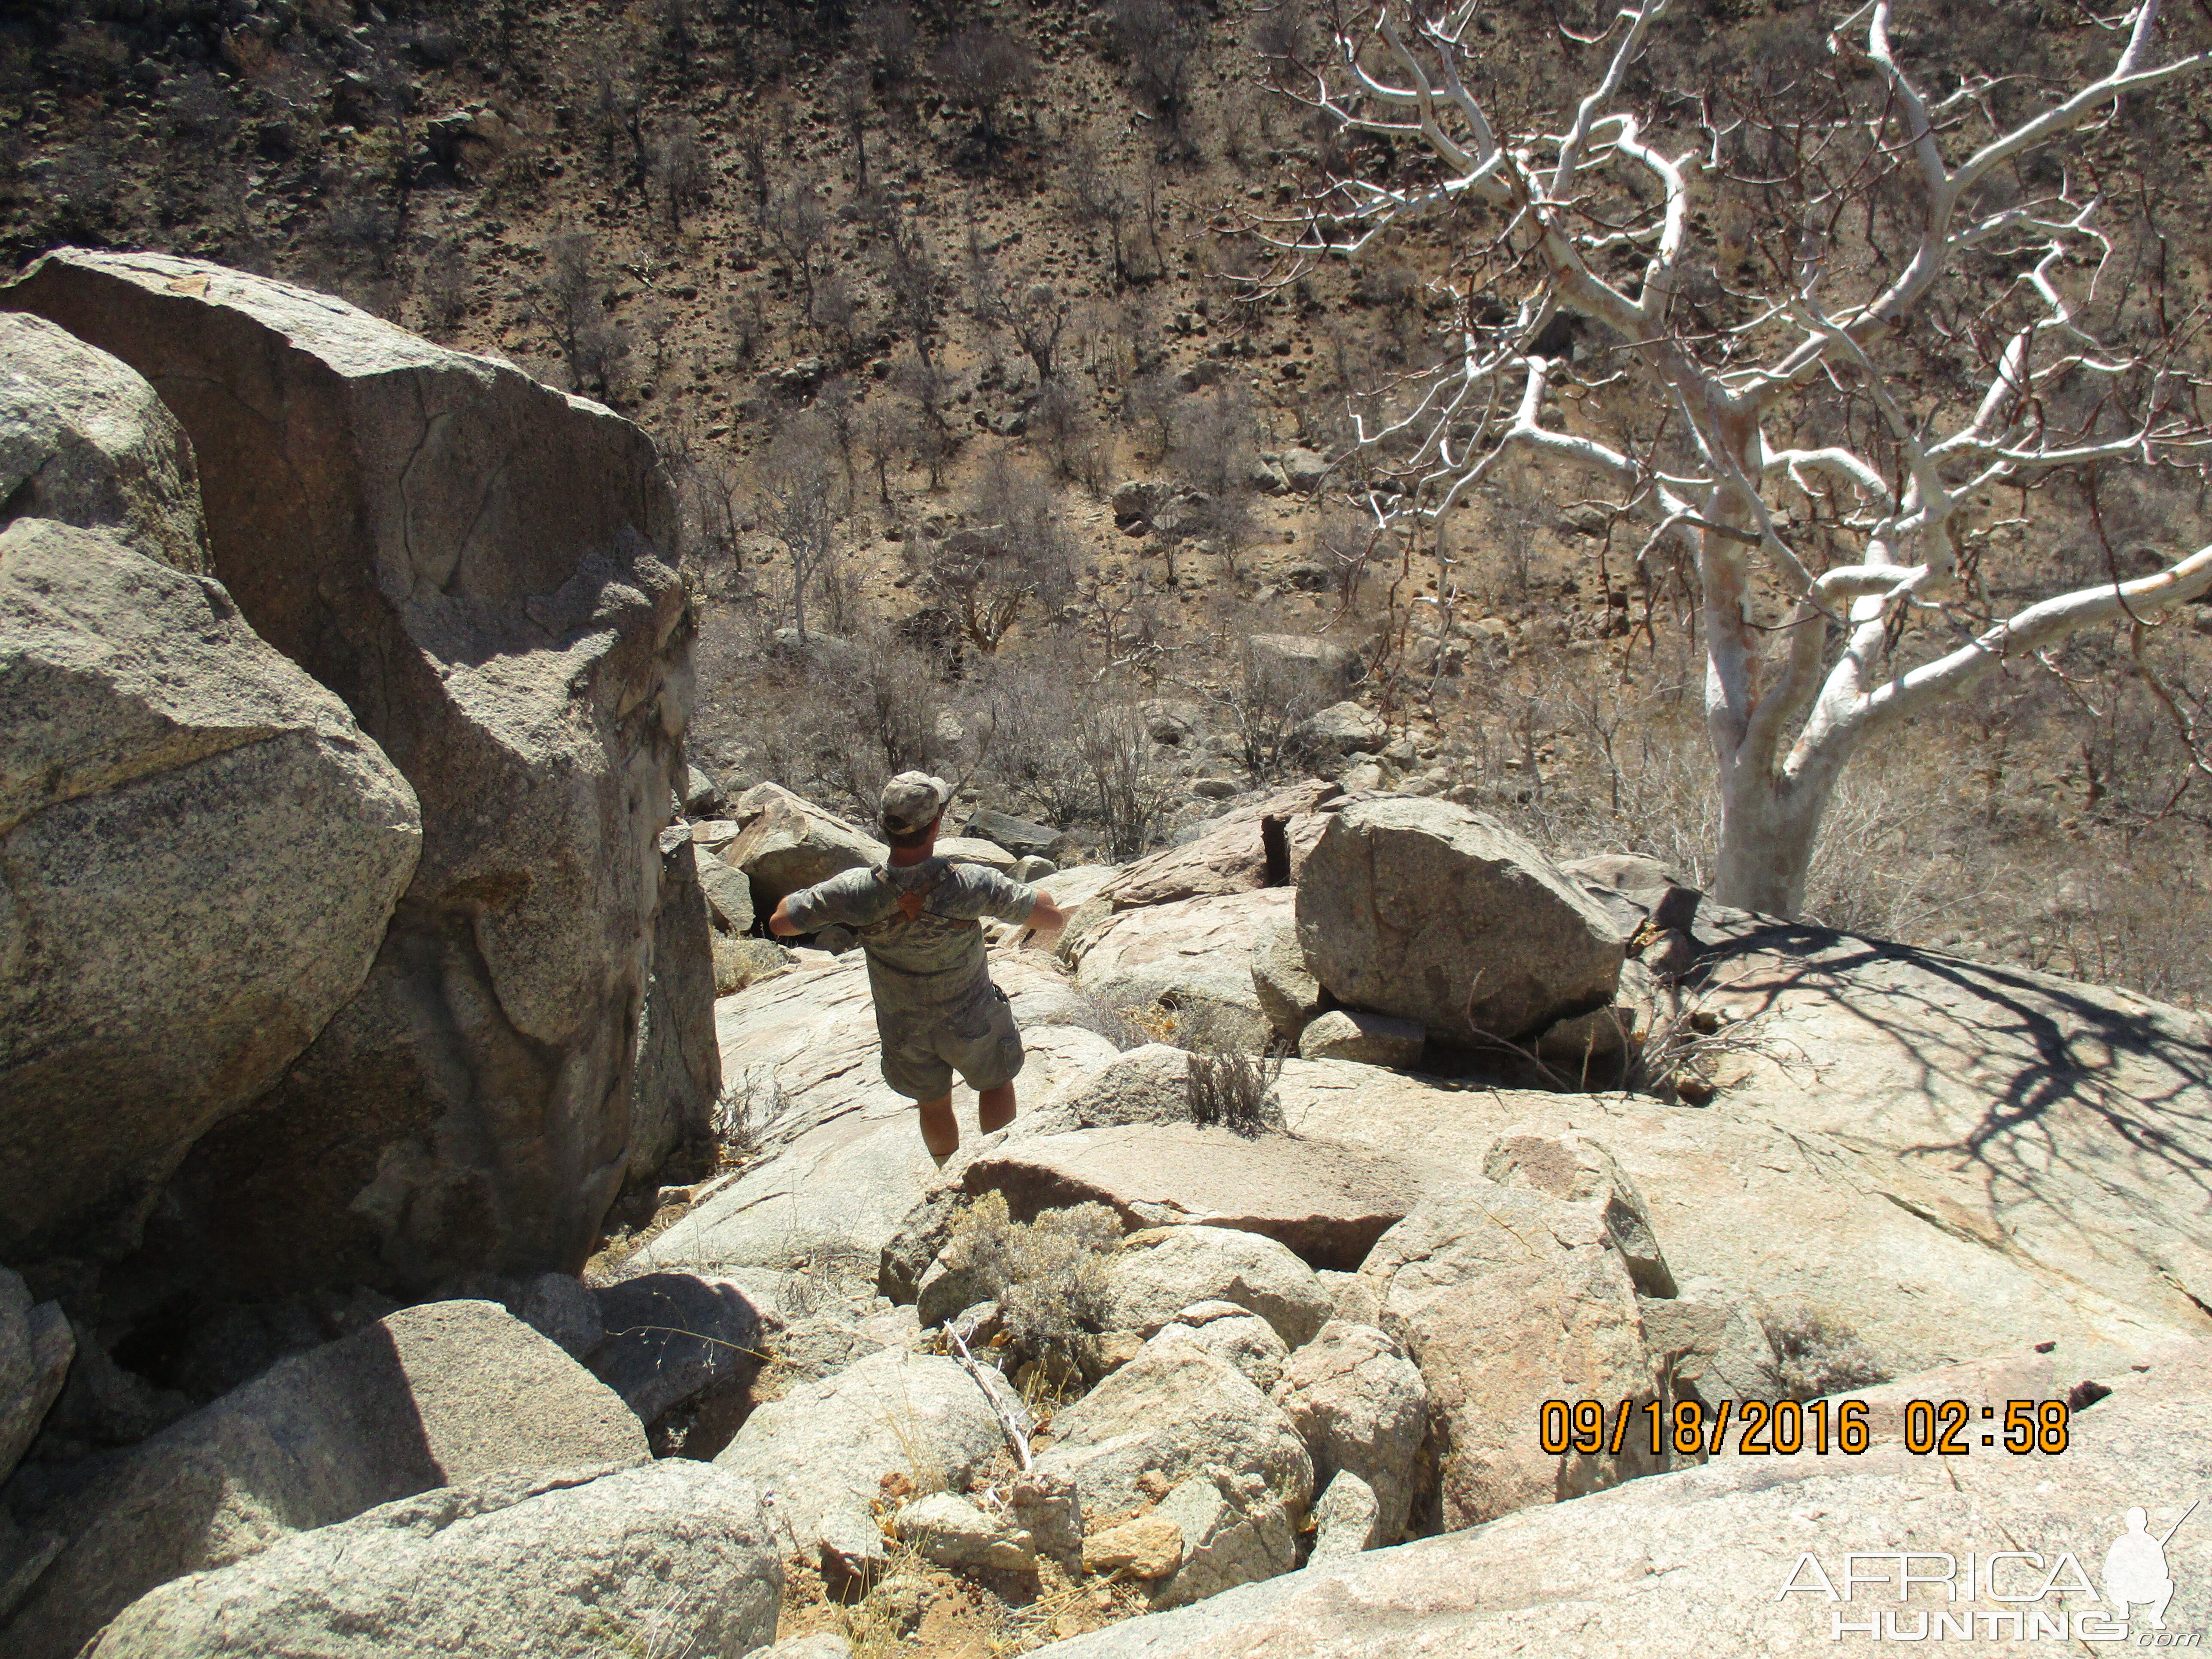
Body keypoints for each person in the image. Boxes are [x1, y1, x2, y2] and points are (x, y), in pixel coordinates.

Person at [768, 772, 1066, 1161]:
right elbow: (1051, 917)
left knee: (932, 1103)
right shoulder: (969, 883)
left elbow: (779, 923)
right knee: (995, 1084)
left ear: (884, 824)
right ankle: (999, 1166)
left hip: (905, 1030)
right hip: (973, 1018)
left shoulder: (856, 890)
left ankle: (946, 1173)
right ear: (937, 824)